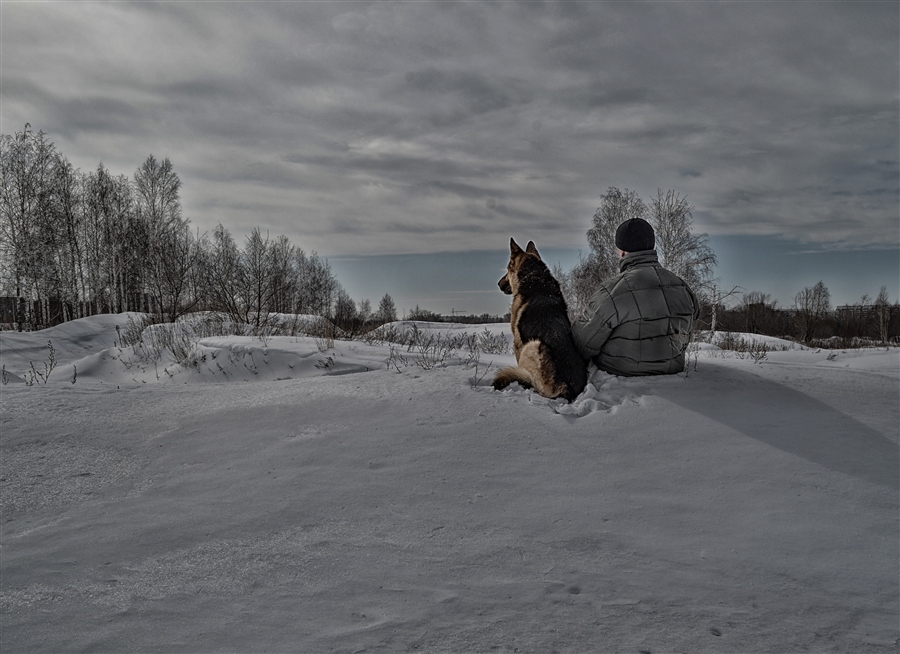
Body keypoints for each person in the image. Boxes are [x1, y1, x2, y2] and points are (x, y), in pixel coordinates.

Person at [571, 217, 700, 376]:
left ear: (623, 251)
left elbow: (582, 343)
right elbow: (693, 317)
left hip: (621, 376)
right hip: (673, 371)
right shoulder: (681, 286)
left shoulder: (612, 291)